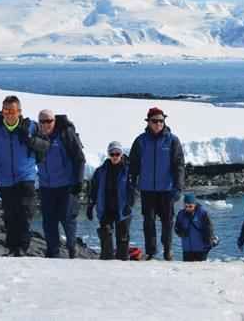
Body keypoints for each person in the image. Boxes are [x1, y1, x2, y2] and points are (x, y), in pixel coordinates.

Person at [0, 95, 50, 257]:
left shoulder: (31, 127)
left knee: (23, 212)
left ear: (19, 111)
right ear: (2, 111)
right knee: (10, 215)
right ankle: (12, 248)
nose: (9, 114)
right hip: (4, 179)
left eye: (12, 111)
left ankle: (21, 248)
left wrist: (30, 140)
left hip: (25, 177)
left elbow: (46, 145)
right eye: (6, 111)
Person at [129, 107, 185, 261]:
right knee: (149, 222)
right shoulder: (140, 141)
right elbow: (133, 165)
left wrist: (178, 187)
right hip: (147, 189)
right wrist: (132, 184)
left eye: (161, 120)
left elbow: (179, 165)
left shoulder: (172, 140)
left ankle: (168, 249)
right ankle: (151, 252)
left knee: (167, 222)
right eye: (155, 121)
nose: (159, 123)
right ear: (148, 122)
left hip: (166, 189)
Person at [36, 109, 86, 259]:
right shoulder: (36, 137)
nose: (45, 125)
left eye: (49, 121)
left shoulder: (65, 134)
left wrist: (78, 181)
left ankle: (72, 246)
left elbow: (79, 158)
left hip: (66, 185)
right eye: (42, 122)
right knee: (49, 222)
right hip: (46, 186)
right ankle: (54, 254)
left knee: (66, 217)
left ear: (55, 121)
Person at [86, 141, 135, 261]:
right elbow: (94, 189)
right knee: (105, 232)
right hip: (106, 208)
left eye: (117, 154)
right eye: (111, 154)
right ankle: (107, 260)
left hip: (123, 208)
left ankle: (122, 262)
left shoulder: (128, 170)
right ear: (108, 154)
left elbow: (135, 188)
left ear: (122, 154)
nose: (114, 156)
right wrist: (90, 205)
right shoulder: (100, 171)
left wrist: (130, 203)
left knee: (122, 238)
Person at [174, 193, 218, 262]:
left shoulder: (203, 214)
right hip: (187, 250)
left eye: (190, 206)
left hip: (201, 250)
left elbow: (209, 230)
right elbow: (176, 227)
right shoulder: (181, 214)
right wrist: (181, 233)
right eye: (186, 206)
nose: (188, 208)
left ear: (194, 204)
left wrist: (209, 244)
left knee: (200, 270)